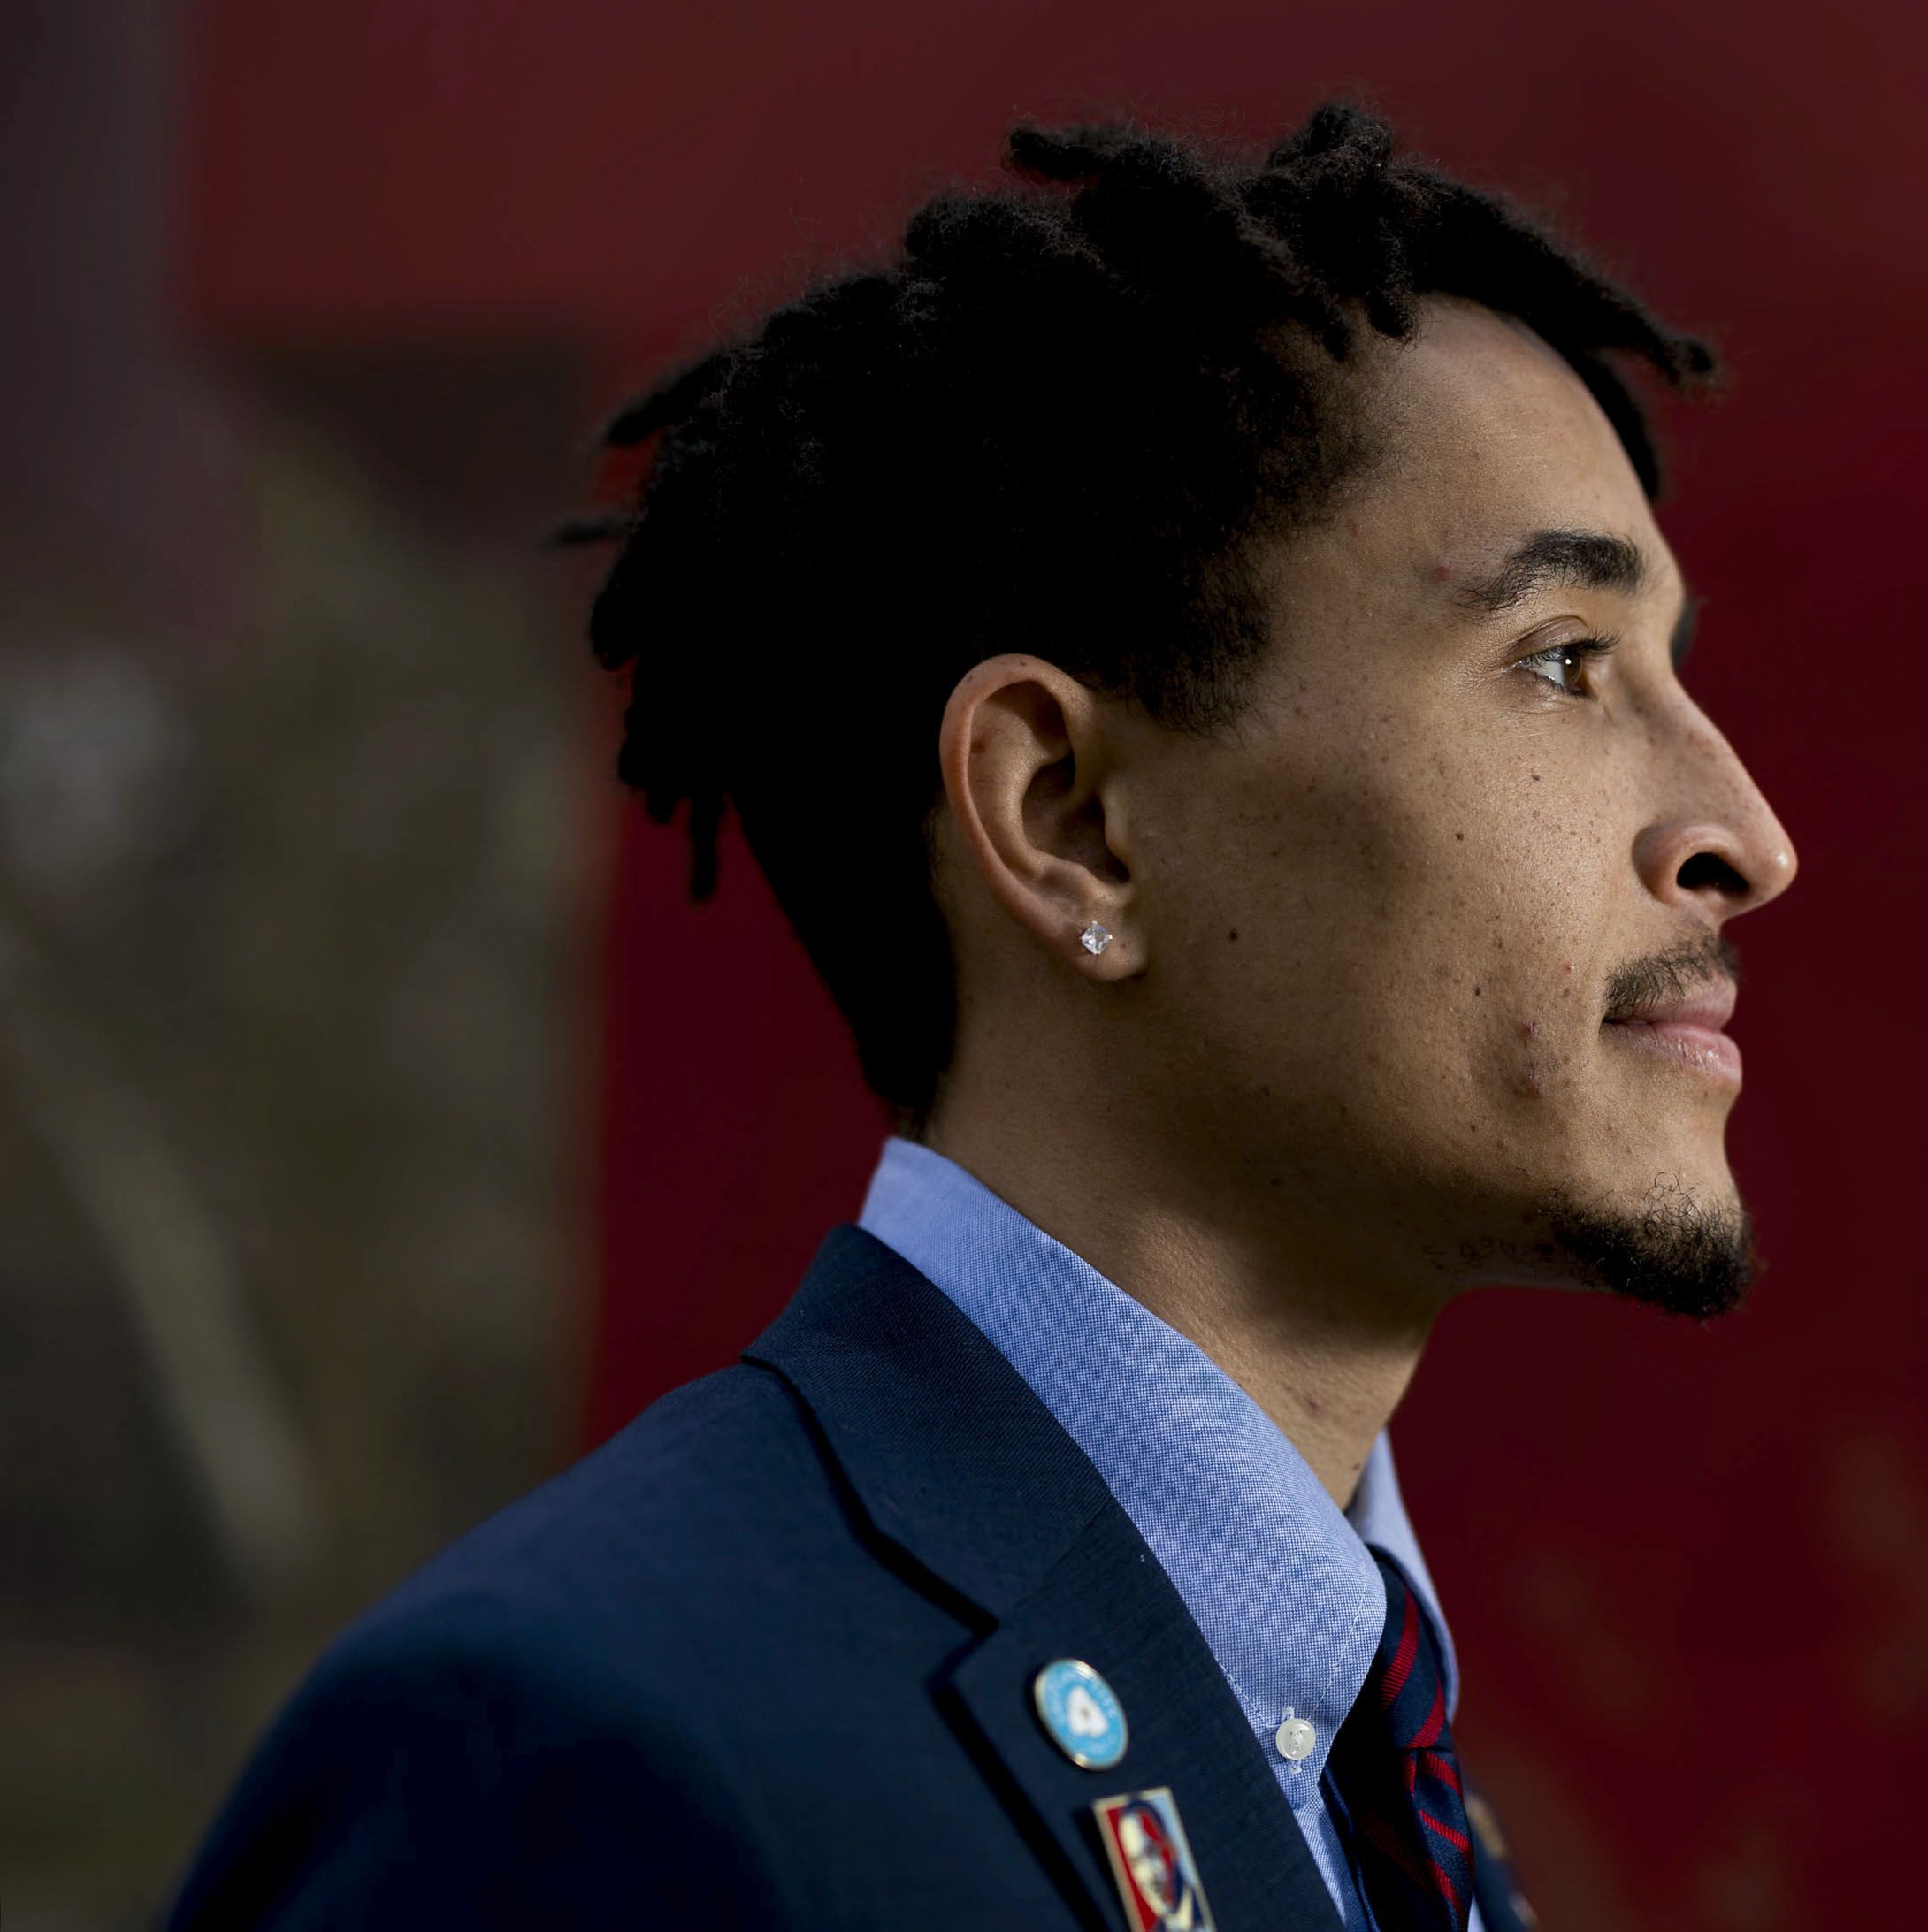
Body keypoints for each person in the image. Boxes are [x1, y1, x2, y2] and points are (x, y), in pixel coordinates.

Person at [168, 98, 1795, 1930]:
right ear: (1068, 818)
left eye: (1671, 668)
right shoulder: (569, 1765)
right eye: (1565, 662)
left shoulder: (1375, 1777)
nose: (1747, 834)